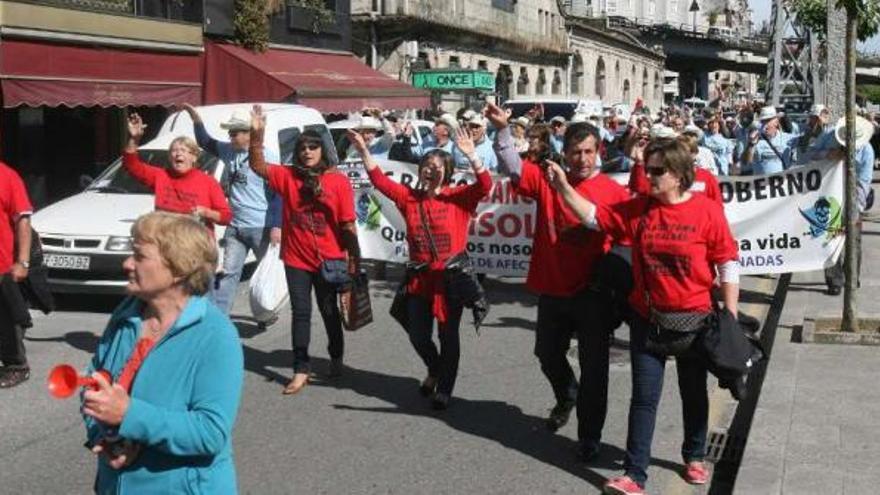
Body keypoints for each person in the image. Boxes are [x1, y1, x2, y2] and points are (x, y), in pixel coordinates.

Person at [545, 138, 740, 495]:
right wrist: (561, 186)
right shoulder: (639, 210)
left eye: (656, 170)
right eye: (646, 168)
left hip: (695, 321)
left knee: (693, 392)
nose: (646, 175)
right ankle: (635, 475)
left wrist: (730, 313)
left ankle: (694, 455)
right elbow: (592, 217)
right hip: (647, 319)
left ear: (680, 175)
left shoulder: (706, 211)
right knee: (644, 398)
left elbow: (727, 261)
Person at [490, 102, 632, 461]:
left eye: (588, 151)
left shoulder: (614, 193)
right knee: (547, 353)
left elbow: (627, 242)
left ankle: (589, 436)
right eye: (575, 152)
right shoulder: (548, 179)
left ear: (598, 151)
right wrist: (503, 130)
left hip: (593, 296)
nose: (582, 159)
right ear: (564, 153)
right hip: (553, 289)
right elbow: (511, 166)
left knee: (595, 369)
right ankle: (567, 393)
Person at [81, 212, 244, 494]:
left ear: (179, 268)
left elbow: (210, 432)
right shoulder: (127, 314)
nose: (127, 263)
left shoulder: (216, 335)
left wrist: (129, 415)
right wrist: (103, 434)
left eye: (139, 256)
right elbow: (93, 379)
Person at [350, 126, 491, 409]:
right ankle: (435, 368)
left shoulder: (458, 197)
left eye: (437, 166)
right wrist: (364, 151)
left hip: (450, 278)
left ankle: (445, 388)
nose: (430, 169)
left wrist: (472, 156)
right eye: (426, 165)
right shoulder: (409, 199)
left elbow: (485, 186)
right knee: (417, 335)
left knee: (448, 336)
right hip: (419, 278)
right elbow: (379, 181)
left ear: (448, 171)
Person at [248, 105, 361, 395]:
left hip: (330, 259)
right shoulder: (287, 177)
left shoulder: (337, 181)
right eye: (302, 148)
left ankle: (336, 356)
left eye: (313, 147)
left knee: (329, 312)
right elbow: (258, 165)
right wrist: (256, 135)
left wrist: (354, 261)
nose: (307, 152)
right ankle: (301, 368)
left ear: (322, 151)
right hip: (296, 259)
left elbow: (348, 225)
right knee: (301, 312)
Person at [182, 105, 282, 315]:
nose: (230, 137)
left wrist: (276, 225)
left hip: (260, 226)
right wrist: (196, 119)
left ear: (248, 134)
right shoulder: (229, 151)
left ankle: (266, 312)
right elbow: (205, 142)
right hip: (235, 226)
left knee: (266, 273)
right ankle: (219, 318)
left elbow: (278, 194)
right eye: (230, 133)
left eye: (234, 133)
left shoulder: (268, 157)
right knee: (228, 273)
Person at [123, 113, 232, 237]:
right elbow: (131, 164)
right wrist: (134, 139)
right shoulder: (160, 176)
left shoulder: (208, 182)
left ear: (194, 157)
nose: (178, 154)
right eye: (174, 150)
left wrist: (206, 213)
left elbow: (226, 217)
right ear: (170, 157)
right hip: (166, 243)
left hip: (196, 244)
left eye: (184, 150)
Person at [824, 116, 876, 295]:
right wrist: (828, 156)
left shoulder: (867, 151)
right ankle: (834, 280)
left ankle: (852, 278)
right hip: (832, 198)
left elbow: (864, 181)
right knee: (832, 239)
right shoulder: (831, 141)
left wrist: (857, 207)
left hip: (854, 199)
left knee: (854, 241)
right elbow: (810, 156)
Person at [0, 161, 32, 388]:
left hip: (2, 264)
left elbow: (23, 219)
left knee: (7, 320)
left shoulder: (8, 176)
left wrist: (23, 261)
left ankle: (16, 366)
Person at [742, 106, 801, 175]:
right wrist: (750, 145)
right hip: (762, 183)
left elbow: (806, 146)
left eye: (768, 121)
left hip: (782, 183)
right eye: (763, 122)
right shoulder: (755, 139)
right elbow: (746, 162)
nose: (765, 125)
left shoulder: (788, 138)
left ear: (776, 122)